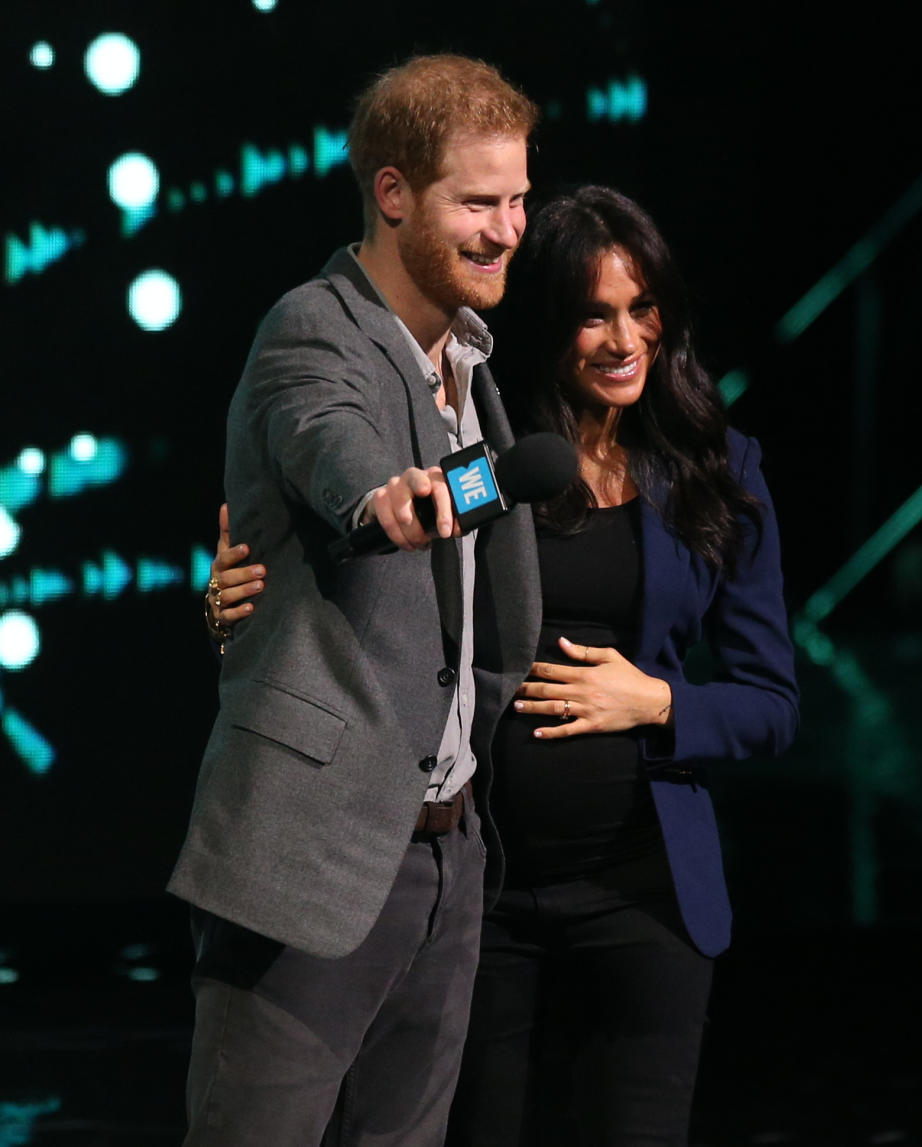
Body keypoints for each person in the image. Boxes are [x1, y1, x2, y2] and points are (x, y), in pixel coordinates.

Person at [209, 185, 800, 1146]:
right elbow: (369, 569)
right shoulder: (493, 454)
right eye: (592, 315)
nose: (622, 340)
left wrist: (658, 701)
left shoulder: (718, 468)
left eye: (641, 310)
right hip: (483, 898)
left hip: (642, 897)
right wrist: (237, 598)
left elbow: (772, 703)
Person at [169, 54, 541, 1147]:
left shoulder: (470, 359)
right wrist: (383, 499)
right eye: (477, 202)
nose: (508, 228)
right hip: (314, 861)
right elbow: (335, 449)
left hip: (447, 855)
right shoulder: (314, 327)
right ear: (391, 193)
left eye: (519, 199)